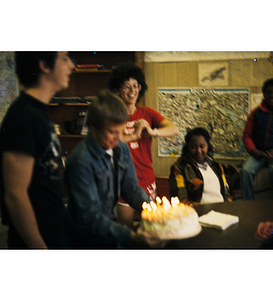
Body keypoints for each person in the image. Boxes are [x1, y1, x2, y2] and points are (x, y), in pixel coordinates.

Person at [65, 90, 163, 249]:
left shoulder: (121, 148)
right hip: (85, 238)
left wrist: (154, 211)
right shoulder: (80, 162)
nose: (119, 138)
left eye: (121, 131)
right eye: (112, 132)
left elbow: (130, 189)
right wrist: (130, 236)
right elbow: (89, 218)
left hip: (109, 226)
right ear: (93, 128)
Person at [0, 51, 75, 249]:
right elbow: (15, 194)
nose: (71, 66)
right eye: (65, 58)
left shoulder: (39, 113)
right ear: (44, 65)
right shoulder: (24, 116)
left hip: (54, 232)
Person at [107, 62, 179, 229]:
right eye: (127, 87)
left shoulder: (147, 112)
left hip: (146, 178)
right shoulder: (112, 114)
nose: (132, 91)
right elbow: (107, 141)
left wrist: (153, 132)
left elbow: (173, 129)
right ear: (118, 89)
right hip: (121, 181)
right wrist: (134, 135)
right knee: (125, 231)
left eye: (136, 86)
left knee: (152, 227)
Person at [169, 127, 229, 205]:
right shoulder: (179, 168)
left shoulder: (217, 167)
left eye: (202, 146)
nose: (198, 151)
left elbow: (226, 193)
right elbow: (180, 200)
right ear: (188, 147)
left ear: (208, 146)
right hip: (197, 213)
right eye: (193, 147)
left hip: (221, 210)